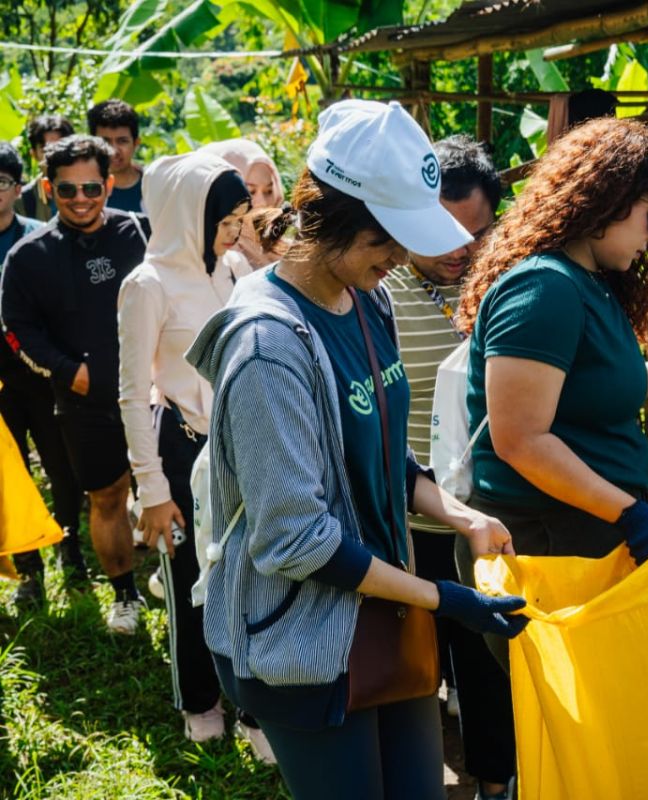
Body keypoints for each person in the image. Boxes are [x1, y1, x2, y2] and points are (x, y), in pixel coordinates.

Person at [185, 99, 528, 800]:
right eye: (387, 240)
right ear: (331, 217)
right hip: (304, 642)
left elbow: (382, 453)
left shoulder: (367, 301)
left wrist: (460, 516)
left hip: (384, 616)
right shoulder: (268, 347)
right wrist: (441, 598)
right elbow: (297, 540)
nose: (401, 259)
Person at [454, 117, 648, 666]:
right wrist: (631, 514)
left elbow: (582, 392)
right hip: (544, 546)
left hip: (577, 535)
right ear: (607, 201)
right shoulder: (544, 288)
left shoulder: (589, 281)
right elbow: (520, 438)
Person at [116, 152, 267, 751]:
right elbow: (130, 394)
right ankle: (199, 699)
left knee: (252, 573)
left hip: (240, 445)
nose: (235, 231)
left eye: (239, 218)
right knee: (186, 578)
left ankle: (255, 706)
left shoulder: (231, 271)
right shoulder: (146, 285)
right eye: (225, 220)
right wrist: (150, 490)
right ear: (187, 215)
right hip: (180, 448)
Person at [383, 134, 515, 800]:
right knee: (412, 664)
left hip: (483, 513)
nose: (462, 250)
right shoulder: (375, 293)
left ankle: (497, 784)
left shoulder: (507, 286)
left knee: (489, 663)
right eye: (443, 232)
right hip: (401, 517)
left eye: (479, 232)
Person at [0, 135, 149, 633]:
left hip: (153, 396)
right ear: (47, 189)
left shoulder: (139, 234)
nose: (81, 199)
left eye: (91, 187)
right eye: (67, 191)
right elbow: (18, 328)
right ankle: (125, 595)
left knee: (174, 491)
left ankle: (184, 584)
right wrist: (70, 372)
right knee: (106, 496)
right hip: (85, 400)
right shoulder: (28, 257)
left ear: (109, 183)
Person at [0, 140, 87, 608]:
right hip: (0, 382)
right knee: (10, 473)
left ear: (19, 187)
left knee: (62, 464)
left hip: (44, 370)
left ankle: (70, 544)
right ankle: (28, 563)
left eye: (2, 182)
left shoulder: (40, 239)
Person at [199, 139, 286, 267]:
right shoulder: (216, 260)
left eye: (268, 191)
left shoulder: (287, 249)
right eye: (251, 191)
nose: (262, 203)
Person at [87, 100, 143, 213]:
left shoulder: (153, 185)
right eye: (105, 141)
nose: (113, 151)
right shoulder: (83, 191)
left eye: (122, 141)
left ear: (136, 143)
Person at [21, 114, 75, 221]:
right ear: (34, 154)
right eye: (45, 150)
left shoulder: (90, 190)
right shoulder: (23, 199)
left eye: (59, 148)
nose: (52, 155)